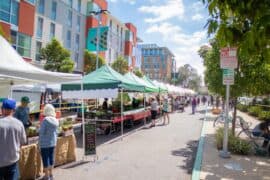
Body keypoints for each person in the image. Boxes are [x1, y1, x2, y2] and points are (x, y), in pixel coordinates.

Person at [0, 99, 26, 180]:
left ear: (2, 109)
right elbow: (23, 142)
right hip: (13, 160)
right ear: (14, 110)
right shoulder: (19, 123)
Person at [39, 104, 59, 180]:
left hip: (45, 143)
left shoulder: (45, 120)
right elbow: (56, 132)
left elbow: (41, 132)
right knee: (51, 158)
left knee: (45, 159)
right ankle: (51, 174)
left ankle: (46, 176)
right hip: (53, 142)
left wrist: (39, 143)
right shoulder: (56, 120)